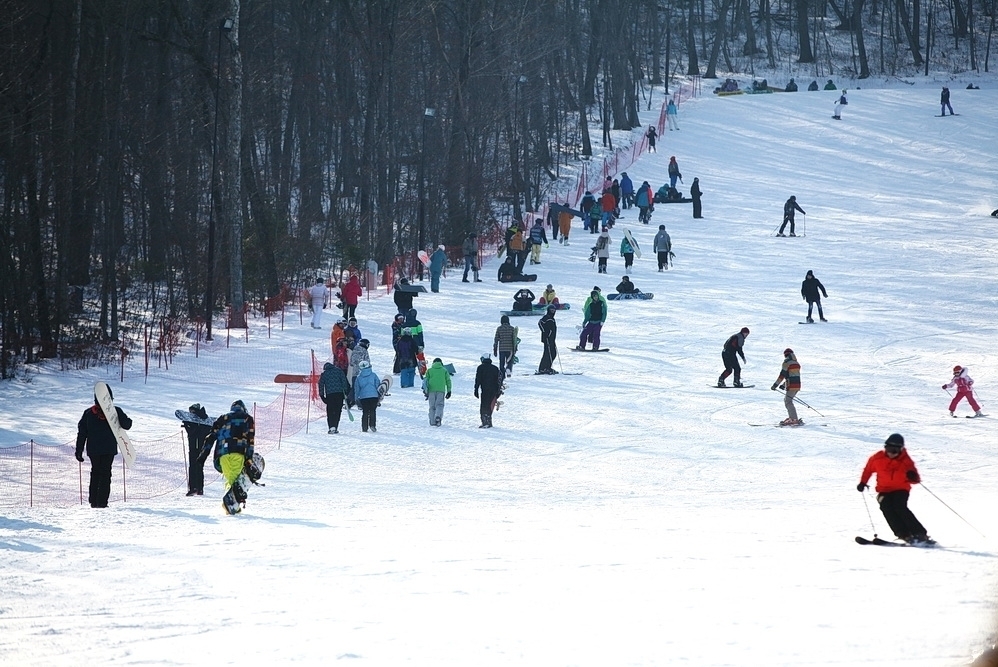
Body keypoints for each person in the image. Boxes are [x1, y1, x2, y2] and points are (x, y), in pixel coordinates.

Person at [857, 433, 934, 545]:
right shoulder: (877, 458)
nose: (890, 453)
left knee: (899, 506)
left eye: (894, 450)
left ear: (901, 450)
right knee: (886, 507)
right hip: (884, 489)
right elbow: (868, 470)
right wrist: (863, 482)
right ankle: (903, 534)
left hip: (901, 489)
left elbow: (916, 480)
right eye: (888, 449)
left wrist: (913, 476)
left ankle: (919, 533)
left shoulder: (906, 461)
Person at [75, 385, 132, 508]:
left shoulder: (88, 413)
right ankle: (102, 502)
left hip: (94, 450)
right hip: (108, 448)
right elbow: (127, 425)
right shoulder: (115, 411)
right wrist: (123, 417)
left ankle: (94, 501)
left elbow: (82, 433)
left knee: (95, 472)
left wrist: (79, 450)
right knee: (105, 473)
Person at [209, 399, 255, 514]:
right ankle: (230, 506)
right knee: (235, 480)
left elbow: (212, 434)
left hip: (222, 455)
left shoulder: (223, 418)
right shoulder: (247, 418)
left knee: (230, 479)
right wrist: (249, 458)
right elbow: (250, 440)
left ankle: (231, 506)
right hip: (237, 452)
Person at [181, 403, 212, 495]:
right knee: (199, 466)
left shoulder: (194, 420)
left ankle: (193, 488)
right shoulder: (205, 418)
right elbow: (209, 430)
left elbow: (192, 432)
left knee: (193, 465)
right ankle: (200, 489)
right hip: (202, 446)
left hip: (194, 445)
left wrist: (187, 424)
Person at [771, 348, 802, 426]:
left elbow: (783, 375)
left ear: (785, 355)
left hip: (791, 385)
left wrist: (775, 385)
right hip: (797, 385)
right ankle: (792, 417)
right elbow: (793, 375)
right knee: (788, 400)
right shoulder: (796, 363)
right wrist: (784, 385)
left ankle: (794, 419)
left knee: (788, 401)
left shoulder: (787, 363)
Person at [319, 361, 349, 434]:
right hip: (339, 394)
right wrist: (345, 392)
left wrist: (322, 396)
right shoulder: (339, 371)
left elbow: (321, 385)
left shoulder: (324, 374)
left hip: (330, 395)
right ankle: (335, 426)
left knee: (330, 411)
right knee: (338, 410)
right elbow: (344, 381)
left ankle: (331, 426)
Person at [474, 354, 503, 427]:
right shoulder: (495, 368)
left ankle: (484, 421)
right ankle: (489, 421)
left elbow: (478, 379)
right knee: (490, 405)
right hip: (493, 390)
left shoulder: (480, 368)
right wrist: (498, 391)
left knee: (484, 405)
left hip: (485, 389)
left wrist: (476, 389)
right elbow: (499, 379)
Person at [353, 360, 381, 432]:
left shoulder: (359, 378)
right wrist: (379, 394)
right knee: (372, 411)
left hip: (364, 397)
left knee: (365, 412)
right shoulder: (373, 375)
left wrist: (356, 398)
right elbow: (378, 385)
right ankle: (372, 425)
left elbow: (357, 389)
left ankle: (364, 427)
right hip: (374, 396)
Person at [423, 357, 452, 426]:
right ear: (441, 363)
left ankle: (432, 421)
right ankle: (438, 416)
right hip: (441, 390)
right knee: (439, 405)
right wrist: (449, 390)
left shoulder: (429, 370)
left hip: (431, 390)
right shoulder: (444, 370)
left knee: (432, 406)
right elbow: (448, 381)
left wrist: (425, 390)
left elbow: (425, 381)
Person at [537, 305, 558, 374]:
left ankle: (547, 367)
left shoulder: (552, 318)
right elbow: (540, 323)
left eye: (554, 310)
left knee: (553, 353)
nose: (553, 312)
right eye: (551, 310)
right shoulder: (546, 317)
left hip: (552, 339)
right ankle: (542, 368)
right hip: (547, 339)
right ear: (548, 310)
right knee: (547, 353)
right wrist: (545, 333)